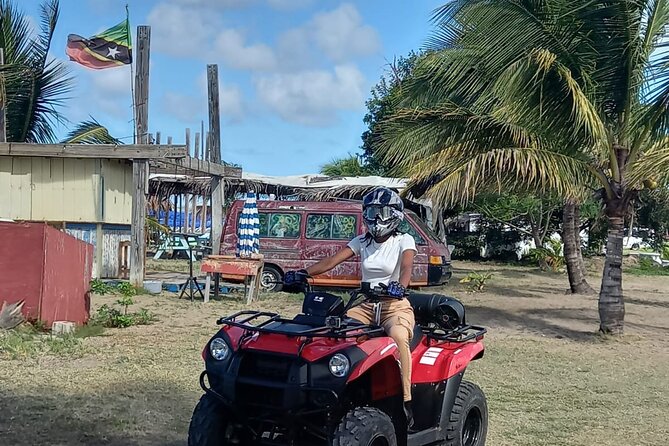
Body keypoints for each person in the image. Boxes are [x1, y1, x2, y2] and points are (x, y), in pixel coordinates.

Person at [283, 187, 417, 428]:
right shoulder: (362, 241)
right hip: (365, 305)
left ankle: (406, 400)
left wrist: (400, 286)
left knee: (398, 336)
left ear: (395, 215)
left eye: (382, 212)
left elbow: (407, 267)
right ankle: (333, 389)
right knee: (336, 332)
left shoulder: (403, 240)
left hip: (394, 306)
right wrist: (302, 273)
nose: (376, 218)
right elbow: (332, 261)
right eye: (372, 211)